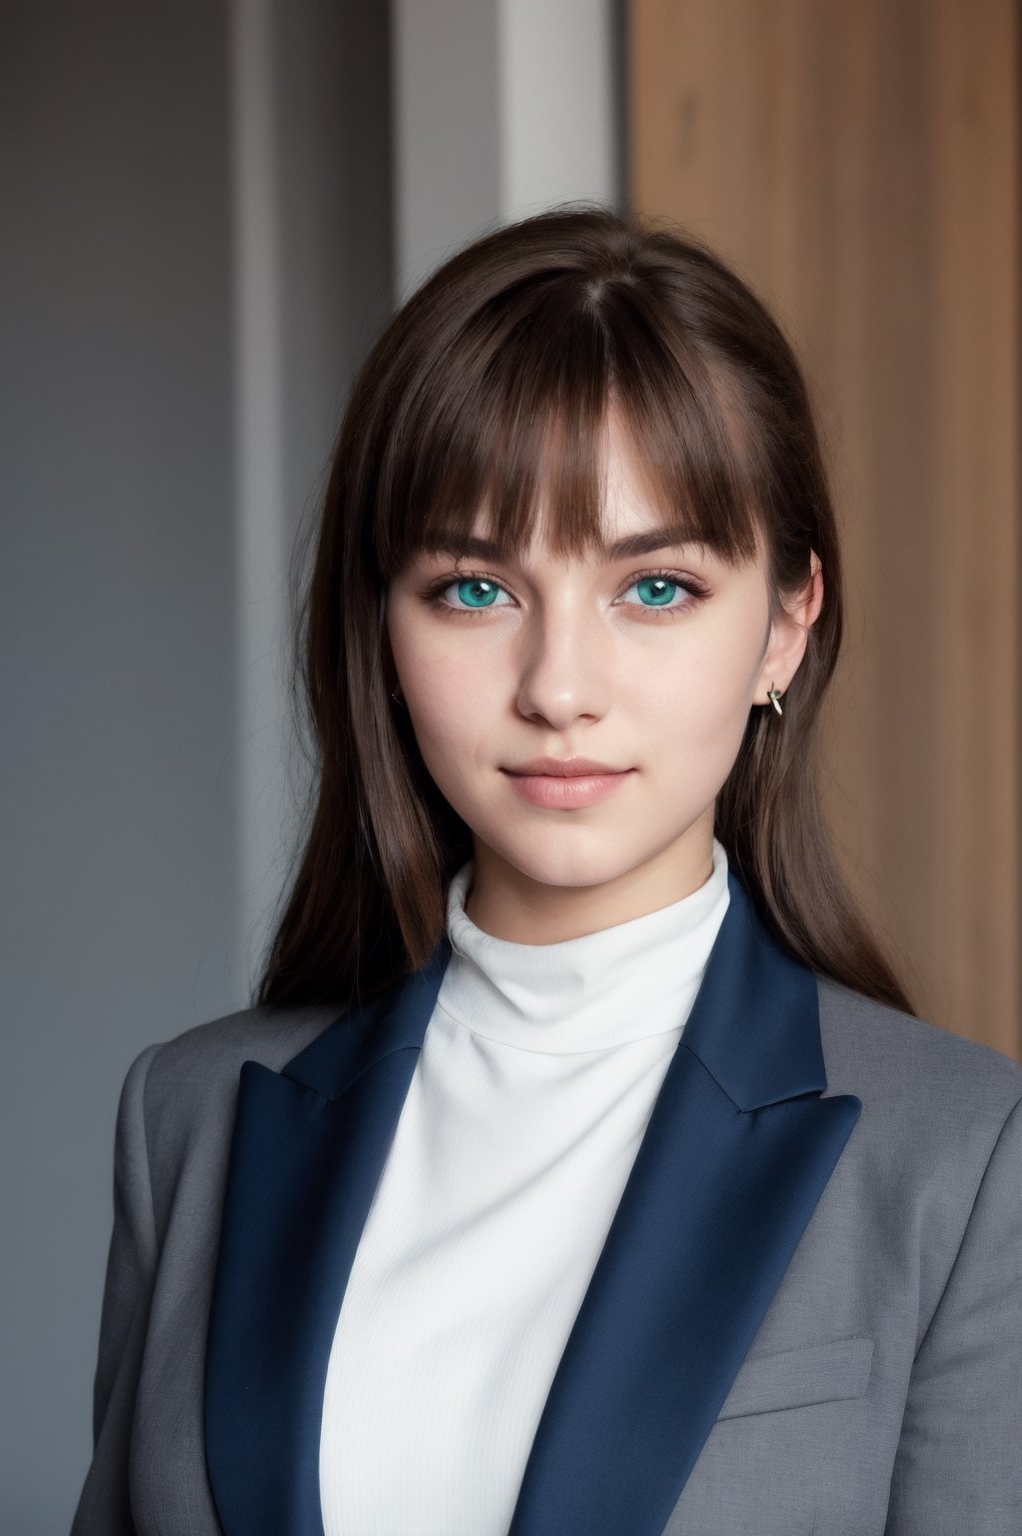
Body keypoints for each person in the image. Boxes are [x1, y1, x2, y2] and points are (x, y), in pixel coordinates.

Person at [72, 206, 1022, 1536]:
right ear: (380, 629)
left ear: (784, 629)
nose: (558, 688)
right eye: (475, 589)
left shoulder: (960, 1157)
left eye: (656, 590)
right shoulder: (193, 1120)